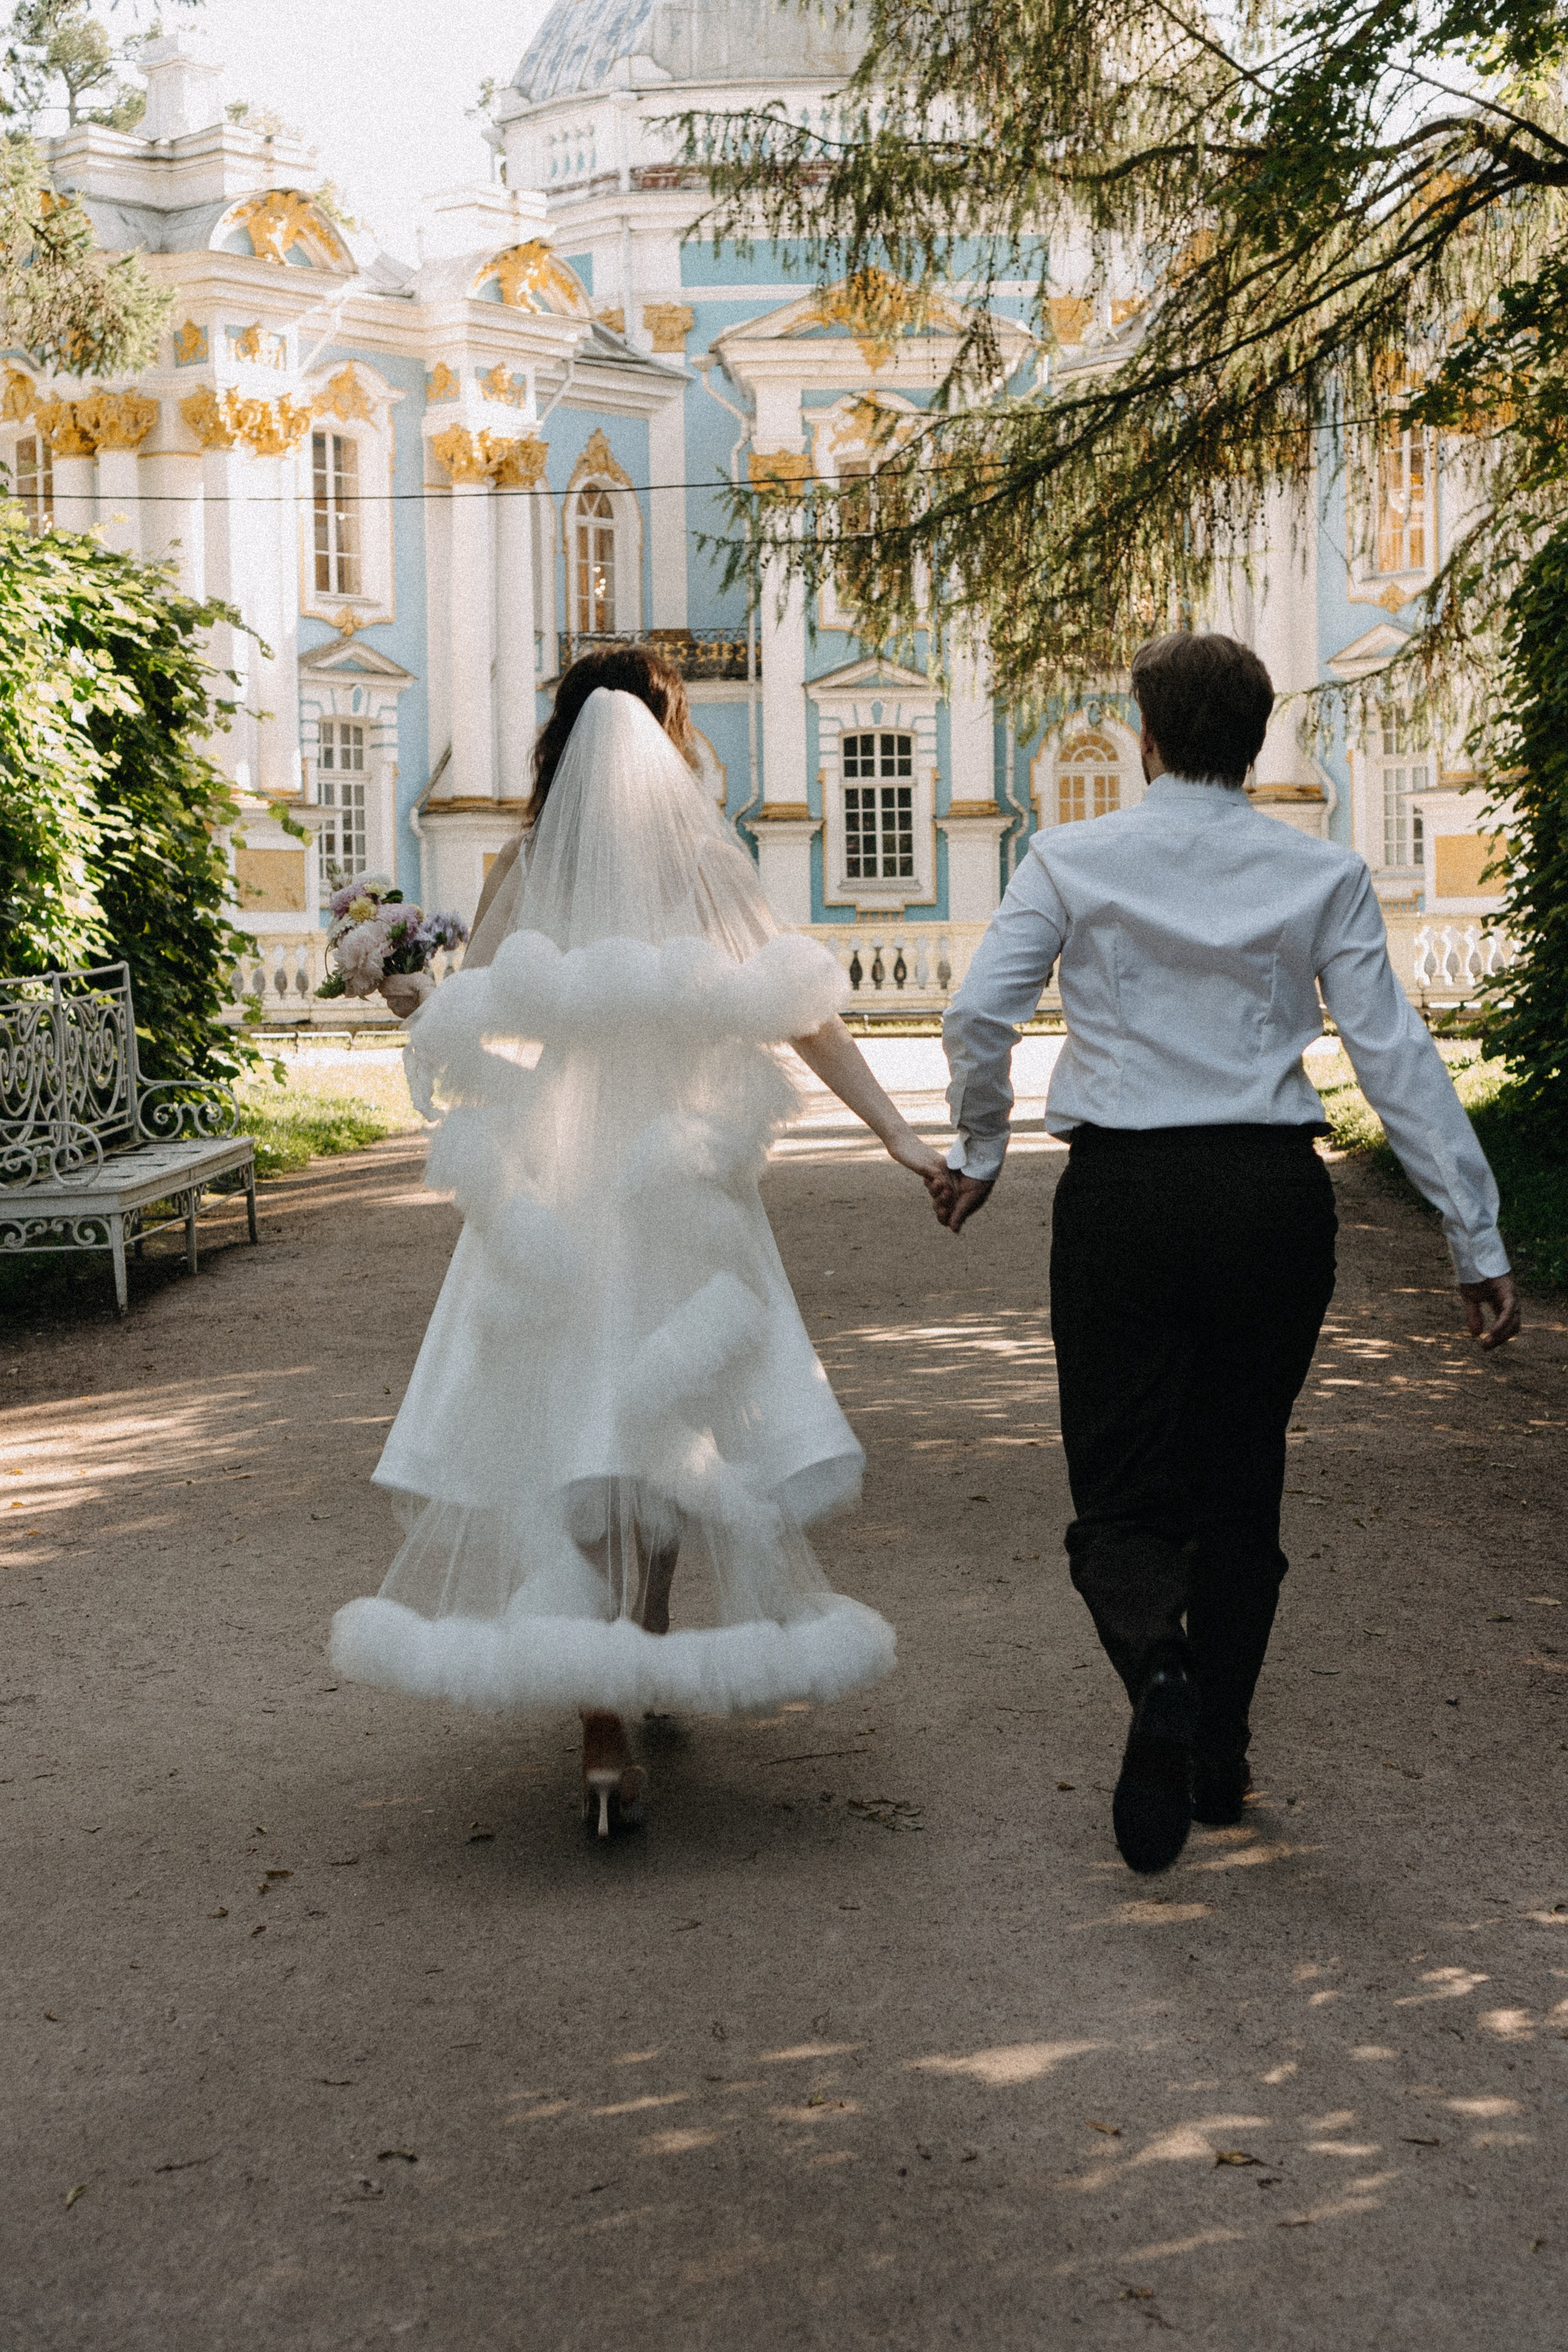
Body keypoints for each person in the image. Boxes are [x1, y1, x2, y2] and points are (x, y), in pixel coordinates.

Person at [334, 646, 949, 1835]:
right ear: (670, 736)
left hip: (562, 1176)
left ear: (557, 738)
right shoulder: (706, 864)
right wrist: (899, 1139)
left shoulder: (522, 864)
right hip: (678, 1178)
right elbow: (808, 1021)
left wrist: (415, 1003)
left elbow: (489, 1029)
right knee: (671, 1416)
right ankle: (639, 1652)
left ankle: (606, 1732)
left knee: (572, 1416)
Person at [937, 630, 1518, 1875]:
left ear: (1144, 738)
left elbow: (978, 1011)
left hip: (1123, 1197)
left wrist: (980, 1150)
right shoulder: (1319, 873)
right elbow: (1392, 1056)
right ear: (1253, 746)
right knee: (1238, 1476)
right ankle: (1219, 1756)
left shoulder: (1069, 855)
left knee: (1119, 1486)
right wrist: (1471, 1233)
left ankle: (1157, 1662)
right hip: (1266, 1196)